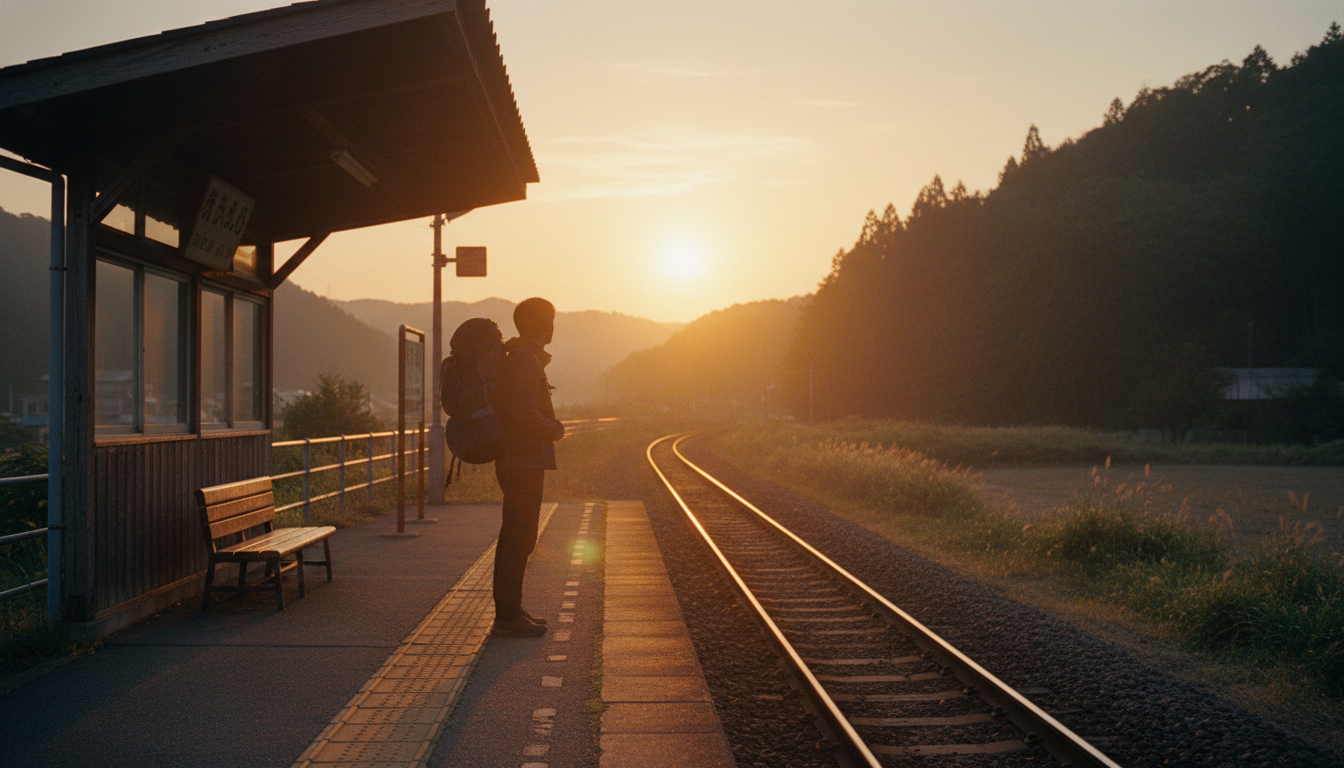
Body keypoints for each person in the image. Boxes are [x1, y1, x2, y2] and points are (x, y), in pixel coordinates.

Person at [490, 297, 566, 637]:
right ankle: (507, 617)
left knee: (516, 537)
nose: (553, 327)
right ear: (544, 326)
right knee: (519, 538)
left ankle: (512, 610)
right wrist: (555, 430)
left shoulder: (520, 357)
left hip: (518, 459)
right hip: (521, 460)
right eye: (551, 321)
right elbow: (521, 413)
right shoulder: (524, 361)